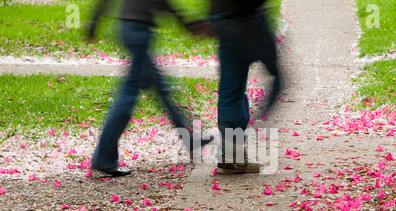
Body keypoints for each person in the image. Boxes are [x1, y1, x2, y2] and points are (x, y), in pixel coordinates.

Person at [87, 0, 213, 177]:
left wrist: (92, 25)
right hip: (138, 33)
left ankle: (189, 139)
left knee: (161, 89)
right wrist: (187, 25)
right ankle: (103, 159)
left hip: (131, 29)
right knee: (127, 98)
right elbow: (164, 3)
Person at [208, 0, 282, 175]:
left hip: (223, 19)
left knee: (231, 87)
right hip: (247, 17)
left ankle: (230, 155)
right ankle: (234, 153)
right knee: (275, 76)